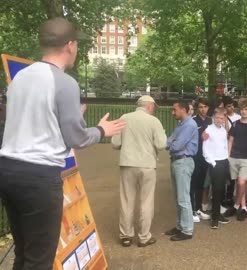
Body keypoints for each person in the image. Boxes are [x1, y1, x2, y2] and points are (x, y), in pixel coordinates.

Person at [0, 18, 125, 269]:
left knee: (24, 253)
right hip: (38, 178)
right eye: (77, 44)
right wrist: (102, 130)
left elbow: (36, 124)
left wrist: (74, 116)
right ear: (69, 45)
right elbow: (76, 138)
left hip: (8, 170)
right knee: (40, 260)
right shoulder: (65, 83)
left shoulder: (20, 79)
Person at [112, 96, 167, 248]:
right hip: (147, 165)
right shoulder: (153, 121)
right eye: (154, 106)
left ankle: (126, 236)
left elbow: (115, 143)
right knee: (146, 201)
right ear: (149, 106)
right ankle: (143, 237)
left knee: (127, 200)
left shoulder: (124, 118)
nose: (154, 109)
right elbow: (161, 144)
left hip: (127, 163)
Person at [165, 101, 198, 241]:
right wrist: (172, 142)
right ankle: (180, 226)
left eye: (175, 110)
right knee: (178, 196)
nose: (173, 112)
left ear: (184, 110)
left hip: (183, 161)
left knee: (183, 197)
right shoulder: (182, 124)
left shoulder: (189, 125)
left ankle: (187, 230)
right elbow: (168, 142)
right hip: (177, 161)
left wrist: (172, 142)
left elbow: (175, 145)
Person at [224, 98, 247, 220]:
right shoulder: (235, 124)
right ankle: (243, 207)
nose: (244, 112)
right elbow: (231, 140)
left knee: (241, 182)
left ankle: (235, 205)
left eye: (246, 109)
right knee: (239, 184)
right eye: (242, 109)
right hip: (234, 157)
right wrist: (228, 156)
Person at [202, 108, 231, 229]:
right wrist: (213, 163)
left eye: (222, 118)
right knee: (216, 190)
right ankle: (214, 218)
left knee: (221, 190)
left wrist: (226, 159)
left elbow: (224, 146)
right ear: (213, 117)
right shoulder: (209, 130)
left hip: (224, 161)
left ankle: (218, 214)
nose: (220, 120)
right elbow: (205, 150)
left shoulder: (223, 130)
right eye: (218, 118)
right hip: (215, 163)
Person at [191, 98, 212, 223]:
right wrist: (200, 137)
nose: (202, 109)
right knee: (194, 183)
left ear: (208, 108)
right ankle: (193, 209)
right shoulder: (193, 121)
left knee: (203, 184)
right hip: (196, 156)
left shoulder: (211, 121)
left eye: (205, 106)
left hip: (207, 157)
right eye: (200, 107)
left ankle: (199, 208)